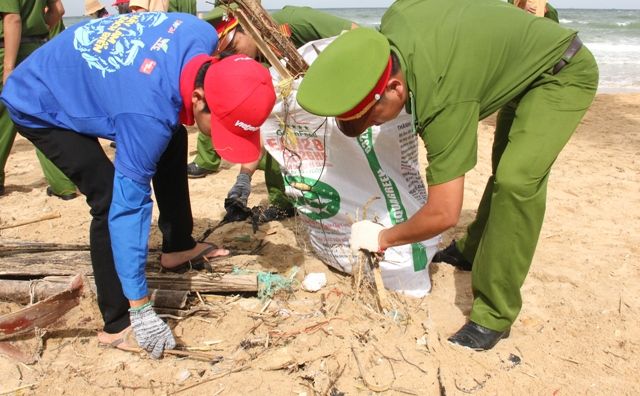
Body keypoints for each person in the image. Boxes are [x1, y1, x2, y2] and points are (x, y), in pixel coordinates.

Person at [296, 0, 598, 351]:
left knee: (516, 181)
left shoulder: (442, 98)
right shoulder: (396, 18)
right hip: (521, 63)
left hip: (561, 72)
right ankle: (471, 249)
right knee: (503, 168)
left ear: (394, 88)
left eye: (374, 118)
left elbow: (444, 212)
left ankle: (494, 316)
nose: (376, 125)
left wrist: (384, 238)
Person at [1, 12, 276, 358]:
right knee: (108, 194)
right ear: (201, 99)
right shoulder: (146, 115)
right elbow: (129, 208)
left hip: (92, 77)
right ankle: (117, 323)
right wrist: (142, 308)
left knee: (172, 132)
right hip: (38, 98)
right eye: (220, 126)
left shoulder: (201, 34)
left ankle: (177, 247)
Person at [192, 4, 356, 223]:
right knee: (276, 127)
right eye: (224, 55)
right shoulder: (249, 65)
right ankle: (284, 202)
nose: (232, 57)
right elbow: (259, 125)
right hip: (297, 114)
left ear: (246, 26)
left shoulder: (292, 20)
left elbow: (356, 34)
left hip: (337, 94)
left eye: (232, 46)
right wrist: (243, 178)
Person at [433, 0, 562, 272]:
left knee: (515, 182)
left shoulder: (543, 10)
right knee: (499, 173)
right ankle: (471, 249)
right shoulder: (507, 5)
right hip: (512, 89)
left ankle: (493, 284)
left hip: (541, 87)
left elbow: (542, 42)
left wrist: (535, 14)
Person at [0, 0, 77, 199]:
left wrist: (8, 68)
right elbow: (58, 9)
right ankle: (63, 184)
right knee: (41, 118)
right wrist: (38, 34)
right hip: (35, 48)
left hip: (8, 51)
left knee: (3, 119)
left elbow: (12, 18)